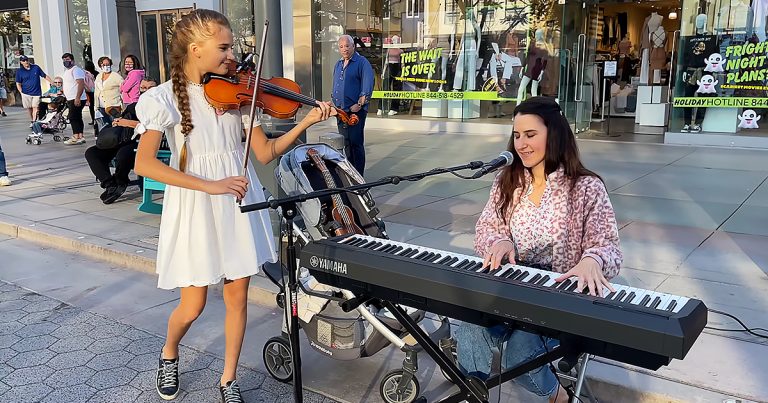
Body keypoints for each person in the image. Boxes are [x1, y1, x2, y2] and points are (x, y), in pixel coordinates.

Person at [133, 9, 335, 403]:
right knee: (192, 306)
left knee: (237, 297)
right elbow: (144, 163)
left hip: (239, 201)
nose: (232, 56)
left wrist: (304, 121)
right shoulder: (162, 99)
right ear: (195, 49)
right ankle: (169, 352)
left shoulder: (240, 96)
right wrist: (210, 185)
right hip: (197, 204)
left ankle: (228, 379)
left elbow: (264, 153)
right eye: (223, 47)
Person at [456, 97, 622, 403]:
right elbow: (486, 228)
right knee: (467, 324)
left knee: (519, 353)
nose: (521, 144)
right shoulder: (508, 181)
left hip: (558, 295)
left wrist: (592, 259)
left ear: (554, 134)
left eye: (530, 135)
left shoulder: (586, 188)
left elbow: (608, 246)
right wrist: (499, 241)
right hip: (511, 285)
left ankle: (560, 397)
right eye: (517, 135)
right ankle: (473, 395)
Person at [85, 77, 156, 204]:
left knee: (123, 154)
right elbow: (121, 120)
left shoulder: (158, 108)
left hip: (141, 141)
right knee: (92, 153)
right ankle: (110, 184)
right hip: (121, 139)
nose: (145, 91)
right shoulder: (134, 106)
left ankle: (120, 181)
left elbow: (152, 127)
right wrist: (117, 123)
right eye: (143, 88)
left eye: (150, 88)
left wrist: (127, 123)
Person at [331, 34, 374, 175]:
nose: (344, 49)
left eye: (347, 46)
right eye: (341, 46)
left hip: (355, 111)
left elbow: (367, 85)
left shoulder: (362, 62)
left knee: (356, 144)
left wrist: (360, 104)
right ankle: (350, 174)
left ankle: (359, 176)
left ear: (353, 46)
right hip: (340, 111)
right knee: (346, 144)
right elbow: (336, 84)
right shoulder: (338, 64)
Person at [15, 55, 53, 123]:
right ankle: (32, 120)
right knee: (29, 108)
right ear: (21, 62)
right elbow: (18, 83)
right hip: (26, 93)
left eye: (27, 60)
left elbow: (44, 76)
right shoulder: (19, 71)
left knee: (35, 107)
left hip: (36, 92)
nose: (26, 61)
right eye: (24, 60)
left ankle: (34, 121)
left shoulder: (36, 67)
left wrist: (52, 82)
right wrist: (21, 92)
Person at [60, 53, 88, 145]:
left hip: (76, 98)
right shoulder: (67, 71)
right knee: (77, 116)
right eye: (64, 60)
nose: (65, 61)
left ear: (72, 60)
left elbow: (80, 83)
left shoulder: (76, 70)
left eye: (67, 59)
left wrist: (77, 97)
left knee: (72, 117)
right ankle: (80, 136)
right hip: (70, 98)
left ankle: (76, 136)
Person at [84, 61, 98, 125]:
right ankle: (97, 119)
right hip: (96, 91)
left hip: (88, 92)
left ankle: (93, 119)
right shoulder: (96, 73)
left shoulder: (85, 74)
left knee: (91, 107)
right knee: (97, 106)